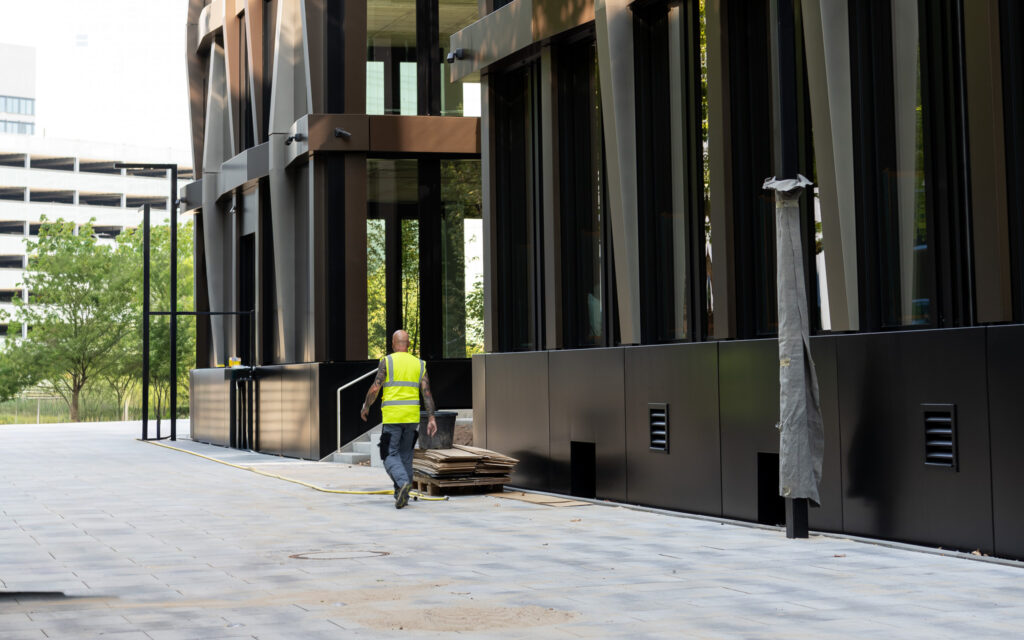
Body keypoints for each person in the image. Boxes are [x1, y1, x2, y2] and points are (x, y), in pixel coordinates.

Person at [360, 329, 438, 509]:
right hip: (412, 418)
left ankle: (403, 483)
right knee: (405, 456)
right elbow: (427, 393)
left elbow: (375, 388)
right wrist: (432, 418)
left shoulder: (387, 361)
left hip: (393, 416)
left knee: (388, 453)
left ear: (393, 344)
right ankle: (402, 495)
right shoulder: (419, 364)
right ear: (408, 344)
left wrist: (366, 406)